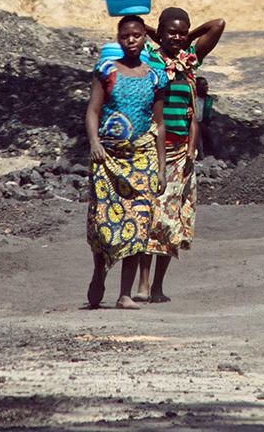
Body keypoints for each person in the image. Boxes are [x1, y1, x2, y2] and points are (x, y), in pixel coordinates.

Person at [136, 7, 226, 305]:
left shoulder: (189, 61)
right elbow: (133, 34)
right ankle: (143, 283)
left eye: (181, 32)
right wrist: (154, 33)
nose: (176, 37)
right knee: (151, 218)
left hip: (182, 153)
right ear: (160, 33)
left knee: (173, 221)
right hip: (152, 149)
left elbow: (217, 24)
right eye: (170, 32)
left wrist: (188, 38)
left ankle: (158, 286)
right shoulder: (149, 58)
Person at [84, 15, 168, 310]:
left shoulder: (156, 77)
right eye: (125, 36)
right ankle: (99, 270)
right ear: (118, 39)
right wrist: (94, 143)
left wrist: (161, 167)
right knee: (103, 223)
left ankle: (125, 294)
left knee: (139, 223)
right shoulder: (106, 70)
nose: (130, 40)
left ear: (145, 36)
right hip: (108, 157)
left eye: (136, 35)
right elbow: (93, 111)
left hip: (142, 158)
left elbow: (159, 123)